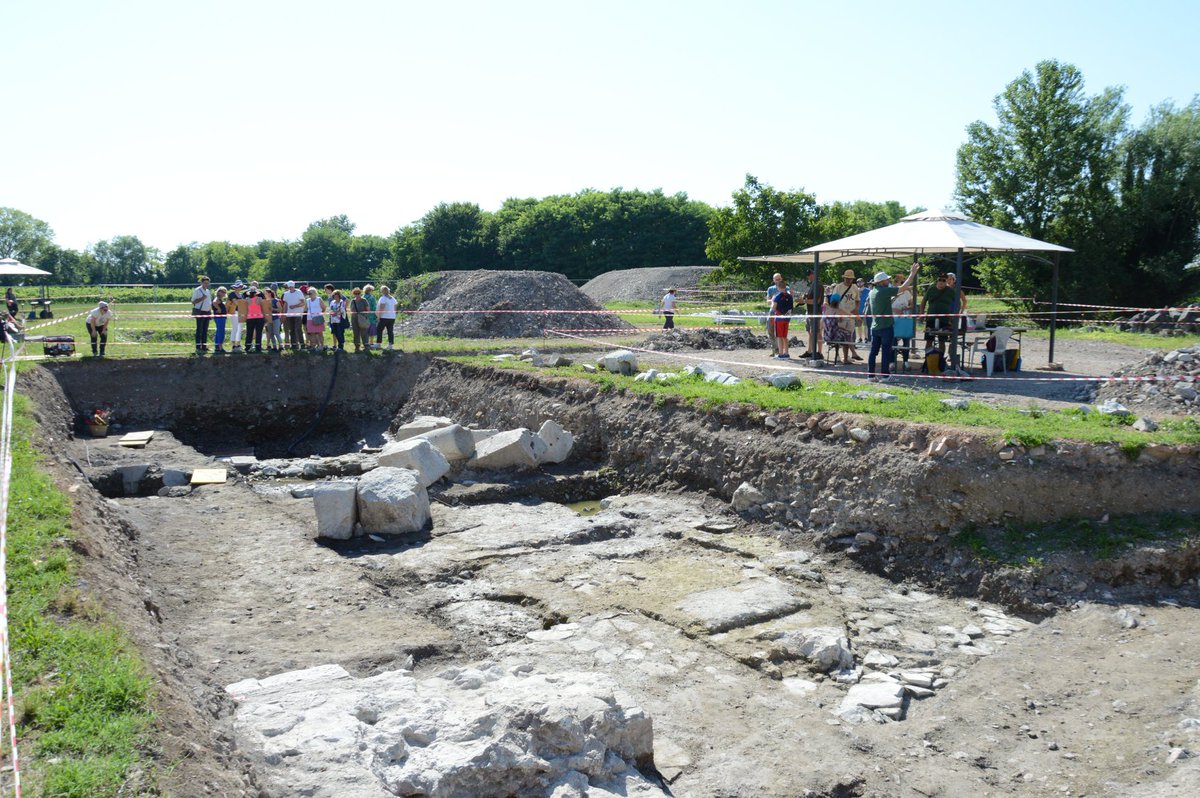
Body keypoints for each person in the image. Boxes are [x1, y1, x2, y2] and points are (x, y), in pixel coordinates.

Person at [866, 262, 920, 380]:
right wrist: (912, 273)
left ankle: (871, 375)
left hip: (875, 327)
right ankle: (885, 376)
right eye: (886, 280)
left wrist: (895, 296)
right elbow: (903, 287)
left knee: (873, 352)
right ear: (881, 282)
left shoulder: (873, 292)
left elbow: (884, 302)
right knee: (886, 352)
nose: (888, 282)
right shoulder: (883, 291)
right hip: (885, 326)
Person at [921, 273, 958, 361]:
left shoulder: (951, 291)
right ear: (937, 281)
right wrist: (922, 314)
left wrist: (954, 316)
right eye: (939, 280)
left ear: (946, 281)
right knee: (929, 340)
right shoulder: (931, 289)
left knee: (942, 341)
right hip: (931, 318)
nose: (941, 282)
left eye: (943, 280)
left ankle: (941, 360)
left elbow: (957, 304)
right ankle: (927, 360)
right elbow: (923, 301)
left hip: (944, 319)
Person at [834, 269, 862, 361]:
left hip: (851, 316)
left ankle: (846, 358)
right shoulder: (838, 287)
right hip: (841, 315)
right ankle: (839, 355)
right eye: (847, 278)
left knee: (849, 336)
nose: (849, 280)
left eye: (850, 279)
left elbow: (857, 301)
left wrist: (856, 311)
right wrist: (839, 314)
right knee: (841, 337)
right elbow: (834, 303)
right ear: (844, 278)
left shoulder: (855, 288)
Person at [891, 272, 915, 368]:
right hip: (893, 318)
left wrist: (906, 308)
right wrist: (893, 309)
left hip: (905, 318)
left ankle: (905, 362)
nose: (898, 283)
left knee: (906, 340)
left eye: (901, 281)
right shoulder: (890, 291)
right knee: (893, 341)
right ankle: (892, 362)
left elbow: (911, 304)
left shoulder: (907, 292)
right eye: (896, 281)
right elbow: (885, 305)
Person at [767, 276, 794, 358]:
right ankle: (786, 353)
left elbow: (773, 308)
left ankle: (780, 354)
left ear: (778, 288)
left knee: (779, 336)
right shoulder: (790, 296)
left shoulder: (777, 297)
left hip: (779, 318)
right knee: (785, 337)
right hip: (787, 318)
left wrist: (773, 304)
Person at [190, 276, 213, 353]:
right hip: (200, 312)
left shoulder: (208, 291)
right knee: (199, 330)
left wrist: (210, 311)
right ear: (201, 283)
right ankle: (198, 347)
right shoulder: (197, 290)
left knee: (205, 330)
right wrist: (202, 298)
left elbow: (209, 302)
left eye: (207, 283)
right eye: (205, 283)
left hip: (207, 312)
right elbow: (193, 301)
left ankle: (204, 346)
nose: (206, 284)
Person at [282, 280, 306, 350]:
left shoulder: (299, 292)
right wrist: (284, 314)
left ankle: (302, 344)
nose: (290, 288)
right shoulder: (286, 294)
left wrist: (295, 306)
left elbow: (303, 303)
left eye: (291, 287)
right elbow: (286, 304)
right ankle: (294, 345)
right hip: (289, 315)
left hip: (298, 314)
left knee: (298, 329)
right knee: (291, 330)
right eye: (289, 287)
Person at [349, 287, 370, 351]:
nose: (357, 294)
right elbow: (351, 310)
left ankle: (366, 345)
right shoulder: (352, 301)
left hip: (362, 318)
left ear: (360, 293)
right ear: (354, 294)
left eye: (358, 293)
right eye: (355, 293)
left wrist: (364, 315)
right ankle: (357, 346)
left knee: (364, 332)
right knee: (356, 332)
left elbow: (368, 310)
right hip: (354, 318)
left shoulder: (364, 300)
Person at [228, 281, 246, 352]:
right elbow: (236, 303)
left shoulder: (241, 294)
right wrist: (243, 302)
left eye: (240, 286)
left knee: (240, 329)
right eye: (238, 286)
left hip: (241, 312)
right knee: (235, 328)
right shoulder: (232, 294)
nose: (239, 288)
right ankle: (233, 345)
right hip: (234, 312)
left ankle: (238, 344)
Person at [211, 287, 229, 353]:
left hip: (221, 317)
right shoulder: (217, 299)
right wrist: (219, 308)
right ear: (219, 292)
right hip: (219, 318)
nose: (224, 293)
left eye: (225, 292)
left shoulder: (220, 299)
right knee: (221, 332)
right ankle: (220, 347)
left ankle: (217, 347)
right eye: (222, 292)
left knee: (219, 331)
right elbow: (214, 303)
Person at [363, 284, 379, 348]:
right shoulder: (372, 298)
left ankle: (365, 343)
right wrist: (377, 315)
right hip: (371, 316)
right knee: (372, 330)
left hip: (364, 316)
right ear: (370, 290)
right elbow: (375, 307)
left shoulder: (362, 297)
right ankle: (371, 343)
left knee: (365, 330)